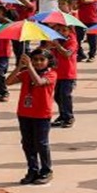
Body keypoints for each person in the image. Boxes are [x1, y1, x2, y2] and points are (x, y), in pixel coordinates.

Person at [8, 48, 57, 185]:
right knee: (27, 143)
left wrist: (29, 66)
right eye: (35, 60)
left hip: (41, 114)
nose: (38, 62)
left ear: (49, 62)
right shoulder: (26, 73)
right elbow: (8, 81)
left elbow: (39, 82)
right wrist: (19, 66)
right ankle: (32, 169)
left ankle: (46, 170)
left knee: (41, 143)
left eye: (42, 60)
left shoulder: (51, 74)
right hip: (24, 112)